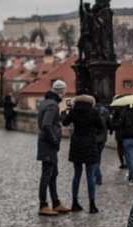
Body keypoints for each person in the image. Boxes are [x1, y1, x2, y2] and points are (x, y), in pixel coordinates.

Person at [62, 92, 104, 213]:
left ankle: (75, 203)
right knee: (90, 176)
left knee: (77, 175)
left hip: (76, 143)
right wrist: (92, 132)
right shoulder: (93, 112)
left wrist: (67, 112)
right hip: (90, 144)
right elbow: (101, 128)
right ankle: (92, 205)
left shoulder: (74, 111)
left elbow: (64, 122)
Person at [37, 80, 71, 216]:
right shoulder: (53, 105)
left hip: (47, 144)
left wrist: (63, 114)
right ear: (62, 92)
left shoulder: (47, 102)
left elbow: (52, 120)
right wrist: (54, 139)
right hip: (48, 144)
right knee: (46, 175)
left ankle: (56, 203)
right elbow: (46, 124)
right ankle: (43, 205)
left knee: (53, 174)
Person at [93, 94, 111, 186]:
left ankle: (98, 176)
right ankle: (95, 174)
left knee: (94, 158)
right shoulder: (105, 110)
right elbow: (109, 123)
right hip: (103, 137)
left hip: (93, 137)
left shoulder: (92, 111)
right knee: (98, 157)